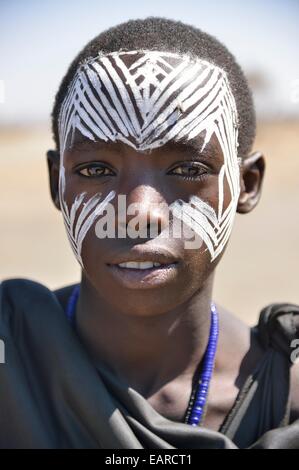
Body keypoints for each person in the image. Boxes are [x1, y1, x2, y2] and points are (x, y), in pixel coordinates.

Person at [0, 17, 298, 449]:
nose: (140, 211)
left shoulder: (287, 391)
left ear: (247, 185)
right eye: (96, 169)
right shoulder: (12, 355)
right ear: (56, 183)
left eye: (188, 170)